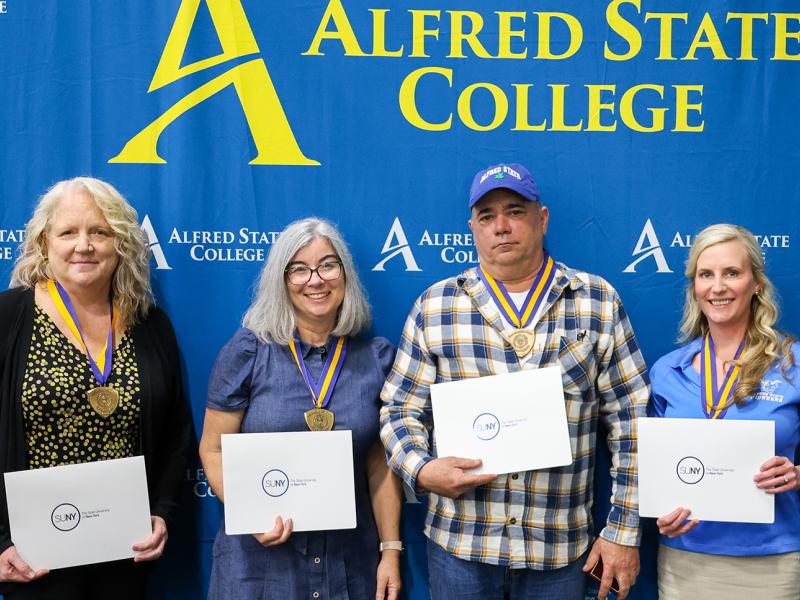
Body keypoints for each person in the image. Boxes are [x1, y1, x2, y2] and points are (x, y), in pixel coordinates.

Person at [379, 162, 650, 600]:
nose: (501, 226)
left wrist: (623, 529)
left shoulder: (596, 301)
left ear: (542, 219)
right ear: (472, 228)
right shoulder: (436, 306)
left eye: (515, 211)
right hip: (460, 544)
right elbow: (399, 409)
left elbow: (632, 422)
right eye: (487, 216)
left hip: (559, 548)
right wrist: (422, 469)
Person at [0, 177, 192, 599]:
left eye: (99, 232)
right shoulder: (7, 318)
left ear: (120, 243)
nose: (83, 245)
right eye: (68, 232)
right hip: (33, 558)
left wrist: (162, 513)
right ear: (43, 243)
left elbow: (177, 433)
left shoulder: (150, 324)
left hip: (125, 553)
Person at [199, 217, 403, 600]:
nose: (316, 280)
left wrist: (390, 549)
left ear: (344, 274)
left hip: (349, 561)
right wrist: (251, 511)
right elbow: (212, 448)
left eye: (328, 265)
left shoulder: (374, 360)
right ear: (281, 279)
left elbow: (380, 464)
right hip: (261, 562)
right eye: (299, 269)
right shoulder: (248, 352)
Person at [649, 224, 800, 599]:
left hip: (775, 559)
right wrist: (660, 511)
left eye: (732, 273)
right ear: (695, 287)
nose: (718, 287)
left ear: (756, 284)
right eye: (706, 275)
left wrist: (798, 473)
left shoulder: (793, 363)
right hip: (687, 560)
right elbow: (656, 466)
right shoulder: (667, 370)